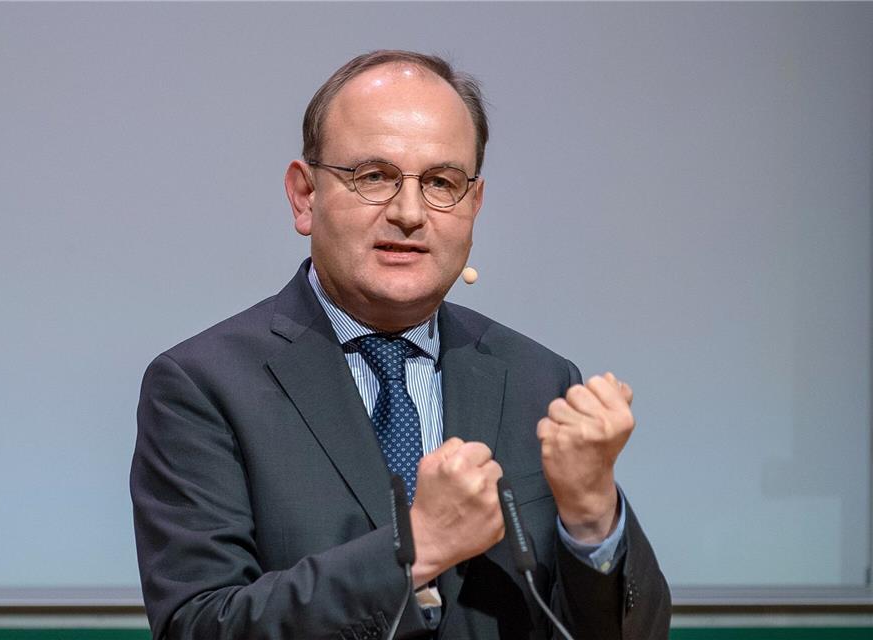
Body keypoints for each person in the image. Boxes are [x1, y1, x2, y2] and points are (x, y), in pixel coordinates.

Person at [131, 50, 671, 640]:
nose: (410, 213)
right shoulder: (204, 385)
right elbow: (199, 626)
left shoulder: (539, 381)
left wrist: (592, 511)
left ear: (474, 205)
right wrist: (416, 548)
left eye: (441, 182)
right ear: (304, 196)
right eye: (375, 177)